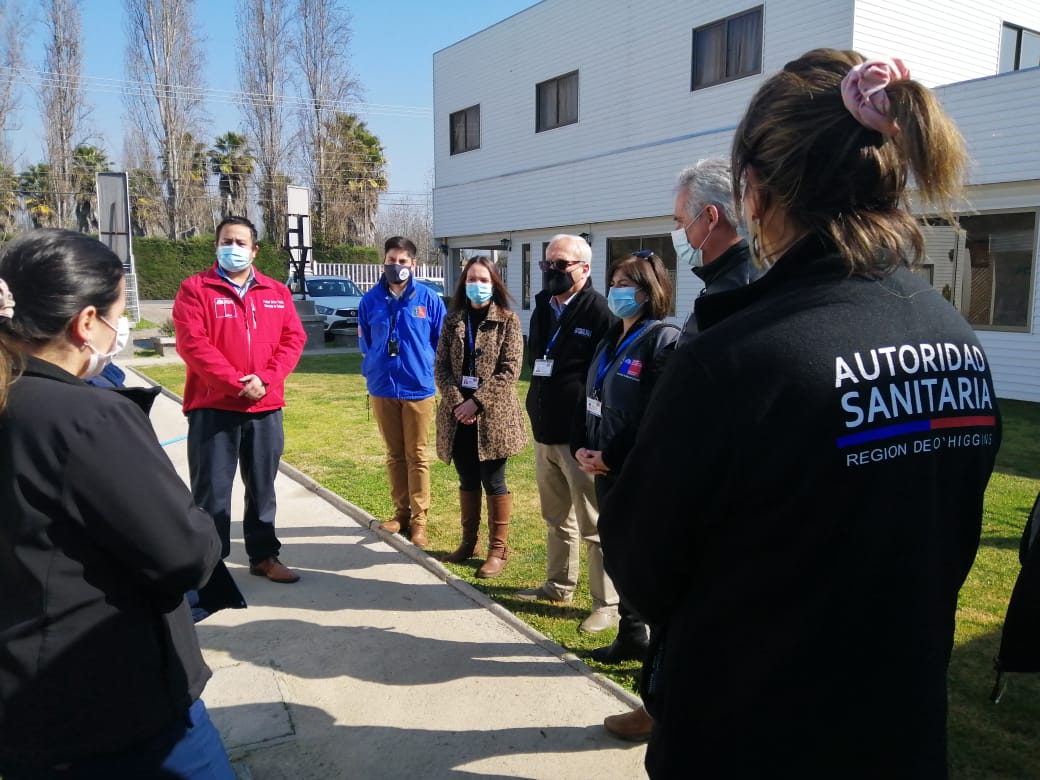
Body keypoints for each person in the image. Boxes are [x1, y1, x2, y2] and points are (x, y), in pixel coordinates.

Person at [599, 49, 1002, 778]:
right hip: (899, 735)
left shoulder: (733, 360)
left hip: (749, 737)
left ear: (752, 192)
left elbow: (643, 567)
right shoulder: (956, 341)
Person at [0, 230, 234, 779]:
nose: (119, 329)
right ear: (86, 323)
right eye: (117, 314)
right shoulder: (86, 416)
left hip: (26, 702)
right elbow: (183, 553)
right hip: (111, 703)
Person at [174, 216, 306, 584]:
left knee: (263, 488)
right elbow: (193, 344)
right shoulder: (195, 289)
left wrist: (264, 379)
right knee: (212, 493)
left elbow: (292, 341)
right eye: (227, 241)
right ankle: (210, 566)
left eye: (241, 242)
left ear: (254, 249)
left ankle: (264, 556)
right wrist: (235, 383)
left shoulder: (276, 292)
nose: (234, 247)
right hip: (214, 406)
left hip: (265, 406)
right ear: (216, 245)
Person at [572, 250, 679, 663]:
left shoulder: (662, 339)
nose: (616, 292)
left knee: (640, 557)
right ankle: (632, 635)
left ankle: (656, 642)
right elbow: (592, 398)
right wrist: (581, 443)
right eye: (613, 284)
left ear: (649, 290)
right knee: (617, 551)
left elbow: (655, 412)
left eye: (626, 285)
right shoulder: (610, 338)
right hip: (601, 464)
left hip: (634, 468)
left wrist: (612, 455)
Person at [517, 233, 619, 634]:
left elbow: (605, 377)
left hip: (580, 437)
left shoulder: (601, 311)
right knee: (555, 516)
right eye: (547, 264)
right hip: (544, 429)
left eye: (560, 265)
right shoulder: (544, 305)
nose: (551, 272)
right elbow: (536, 357)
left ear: (584, 269)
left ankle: (606, 603)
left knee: (593, 523)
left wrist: (593, 433)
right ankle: (558, 586)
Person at [435, 256, 527, 577]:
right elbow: (442, 368)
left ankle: (497, 550)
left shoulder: (509, 321)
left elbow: (509, 370)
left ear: (494, 283)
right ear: (463, 285)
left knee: (494, 481)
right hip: (457, 416)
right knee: (467, 479)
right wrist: (459, 402)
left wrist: (476, 403)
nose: (478, 285)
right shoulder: (452, 320)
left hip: (494, 418)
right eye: (472, 279)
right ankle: (468, 542)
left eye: (484, 280)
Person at [359, 235, 446, 548]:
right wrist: (373, 365)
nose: (396, 266)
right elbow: (365, 340)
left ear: (414, 264)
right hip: (383, 387)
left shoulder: (429, 299)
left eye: (403, 261)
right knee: (394, 455)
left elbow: (440, 341)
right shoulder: (369, 300)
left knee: (417, 455)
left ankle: (420, 520)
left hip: (417, 388)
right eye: (392, 260)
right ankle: (402, 513)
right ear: (384, 261)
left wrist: (424, 366)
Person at [671, 157, 760, 346]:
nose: (678, 230)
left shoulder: (729, 298)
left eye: (681, 221)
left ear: (711, 217)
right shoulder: (754, 276)